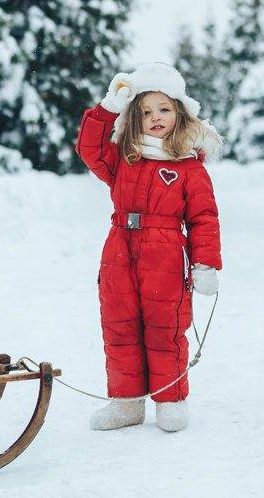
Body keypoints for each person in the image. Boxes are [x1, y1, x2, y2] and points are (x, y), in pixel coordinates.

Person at [75, 62, 223, 433]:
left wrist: (205, 264)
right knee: (120, 326)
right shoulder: (124, 159)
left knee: (164, 327)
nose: (154, 117)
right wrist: (109, 106)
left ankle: (170, 400)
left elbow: (204, 218)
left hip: (166, 252)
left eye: (163, 109)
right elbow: (89, 148)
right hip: (119, 251)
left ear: (180, 113)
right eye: (144, 111)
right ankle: (126, 403)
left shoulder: (189, 168)